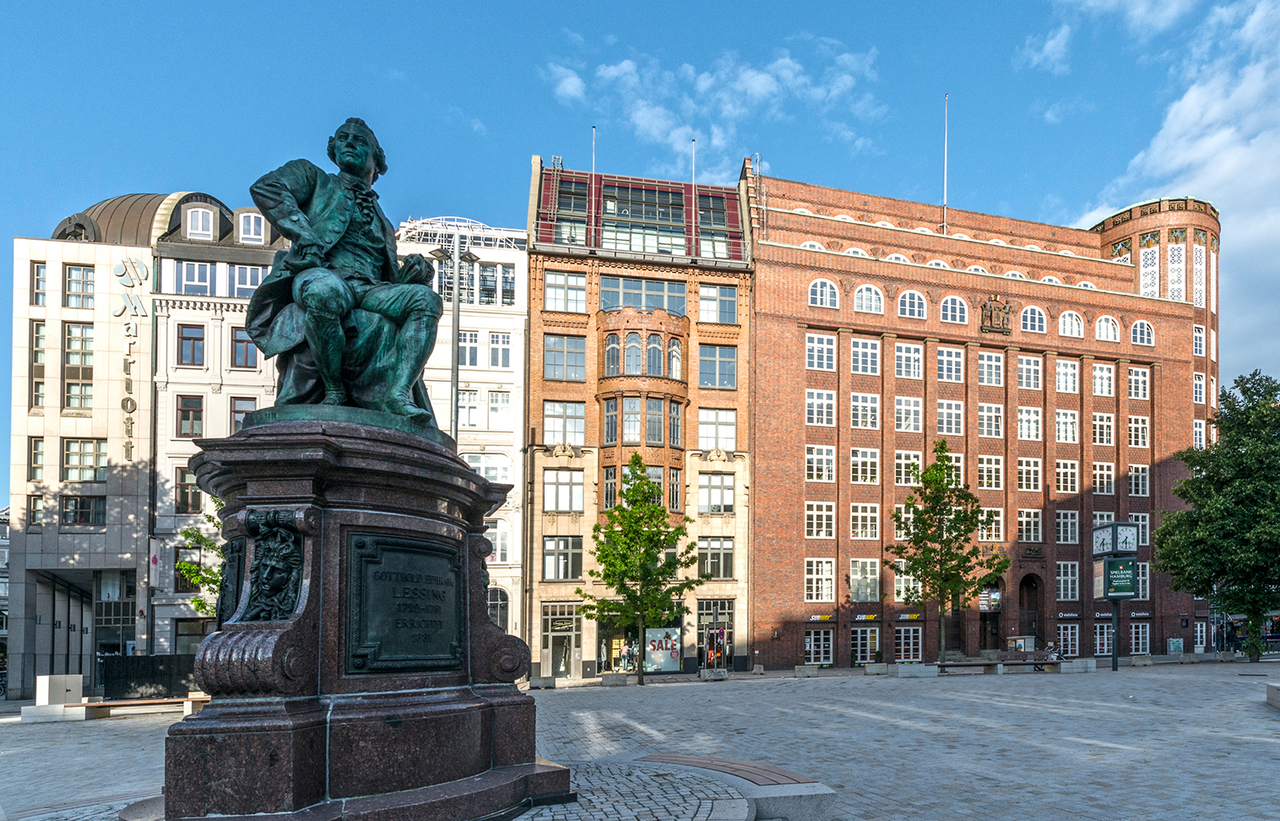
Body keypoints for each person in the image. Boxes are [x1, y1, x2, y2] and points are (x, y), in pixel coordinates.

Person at [246, 118, 442, 424]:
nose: (349, 143)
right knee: (325, 293)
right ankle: (334, 388)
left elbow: (386, 279)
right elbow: (267, 188)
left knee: (425, 300)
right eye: (342, 138)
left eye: (359, 140)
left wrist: (415, 276)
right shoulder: (313, 178)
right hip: (321, 273)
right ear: (333, 148)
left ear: (377, 162)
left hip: (368, 289)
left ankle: (397, 393)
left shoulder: (384, 223)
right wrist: (305, 234)